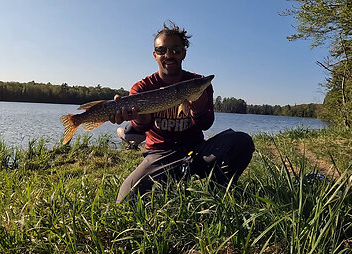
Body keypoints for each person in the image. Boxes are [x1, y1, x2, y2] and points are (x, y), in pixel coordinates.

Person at [109, 21, 255, 202]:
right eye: (162, 50)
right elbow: (142, 126)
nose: (169, 54)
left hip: (196, 152)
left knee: (241, 141)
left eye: (175, 50)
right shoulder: (142, 88)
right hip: (159, 156)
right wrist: (139, 118)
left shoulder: (198, 83)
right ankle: (167, 181)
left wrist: (198, 106)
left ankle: (217, 192)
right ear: (155, 55)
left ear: (183, 53)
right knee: (125, 200)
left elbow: (205, 124)